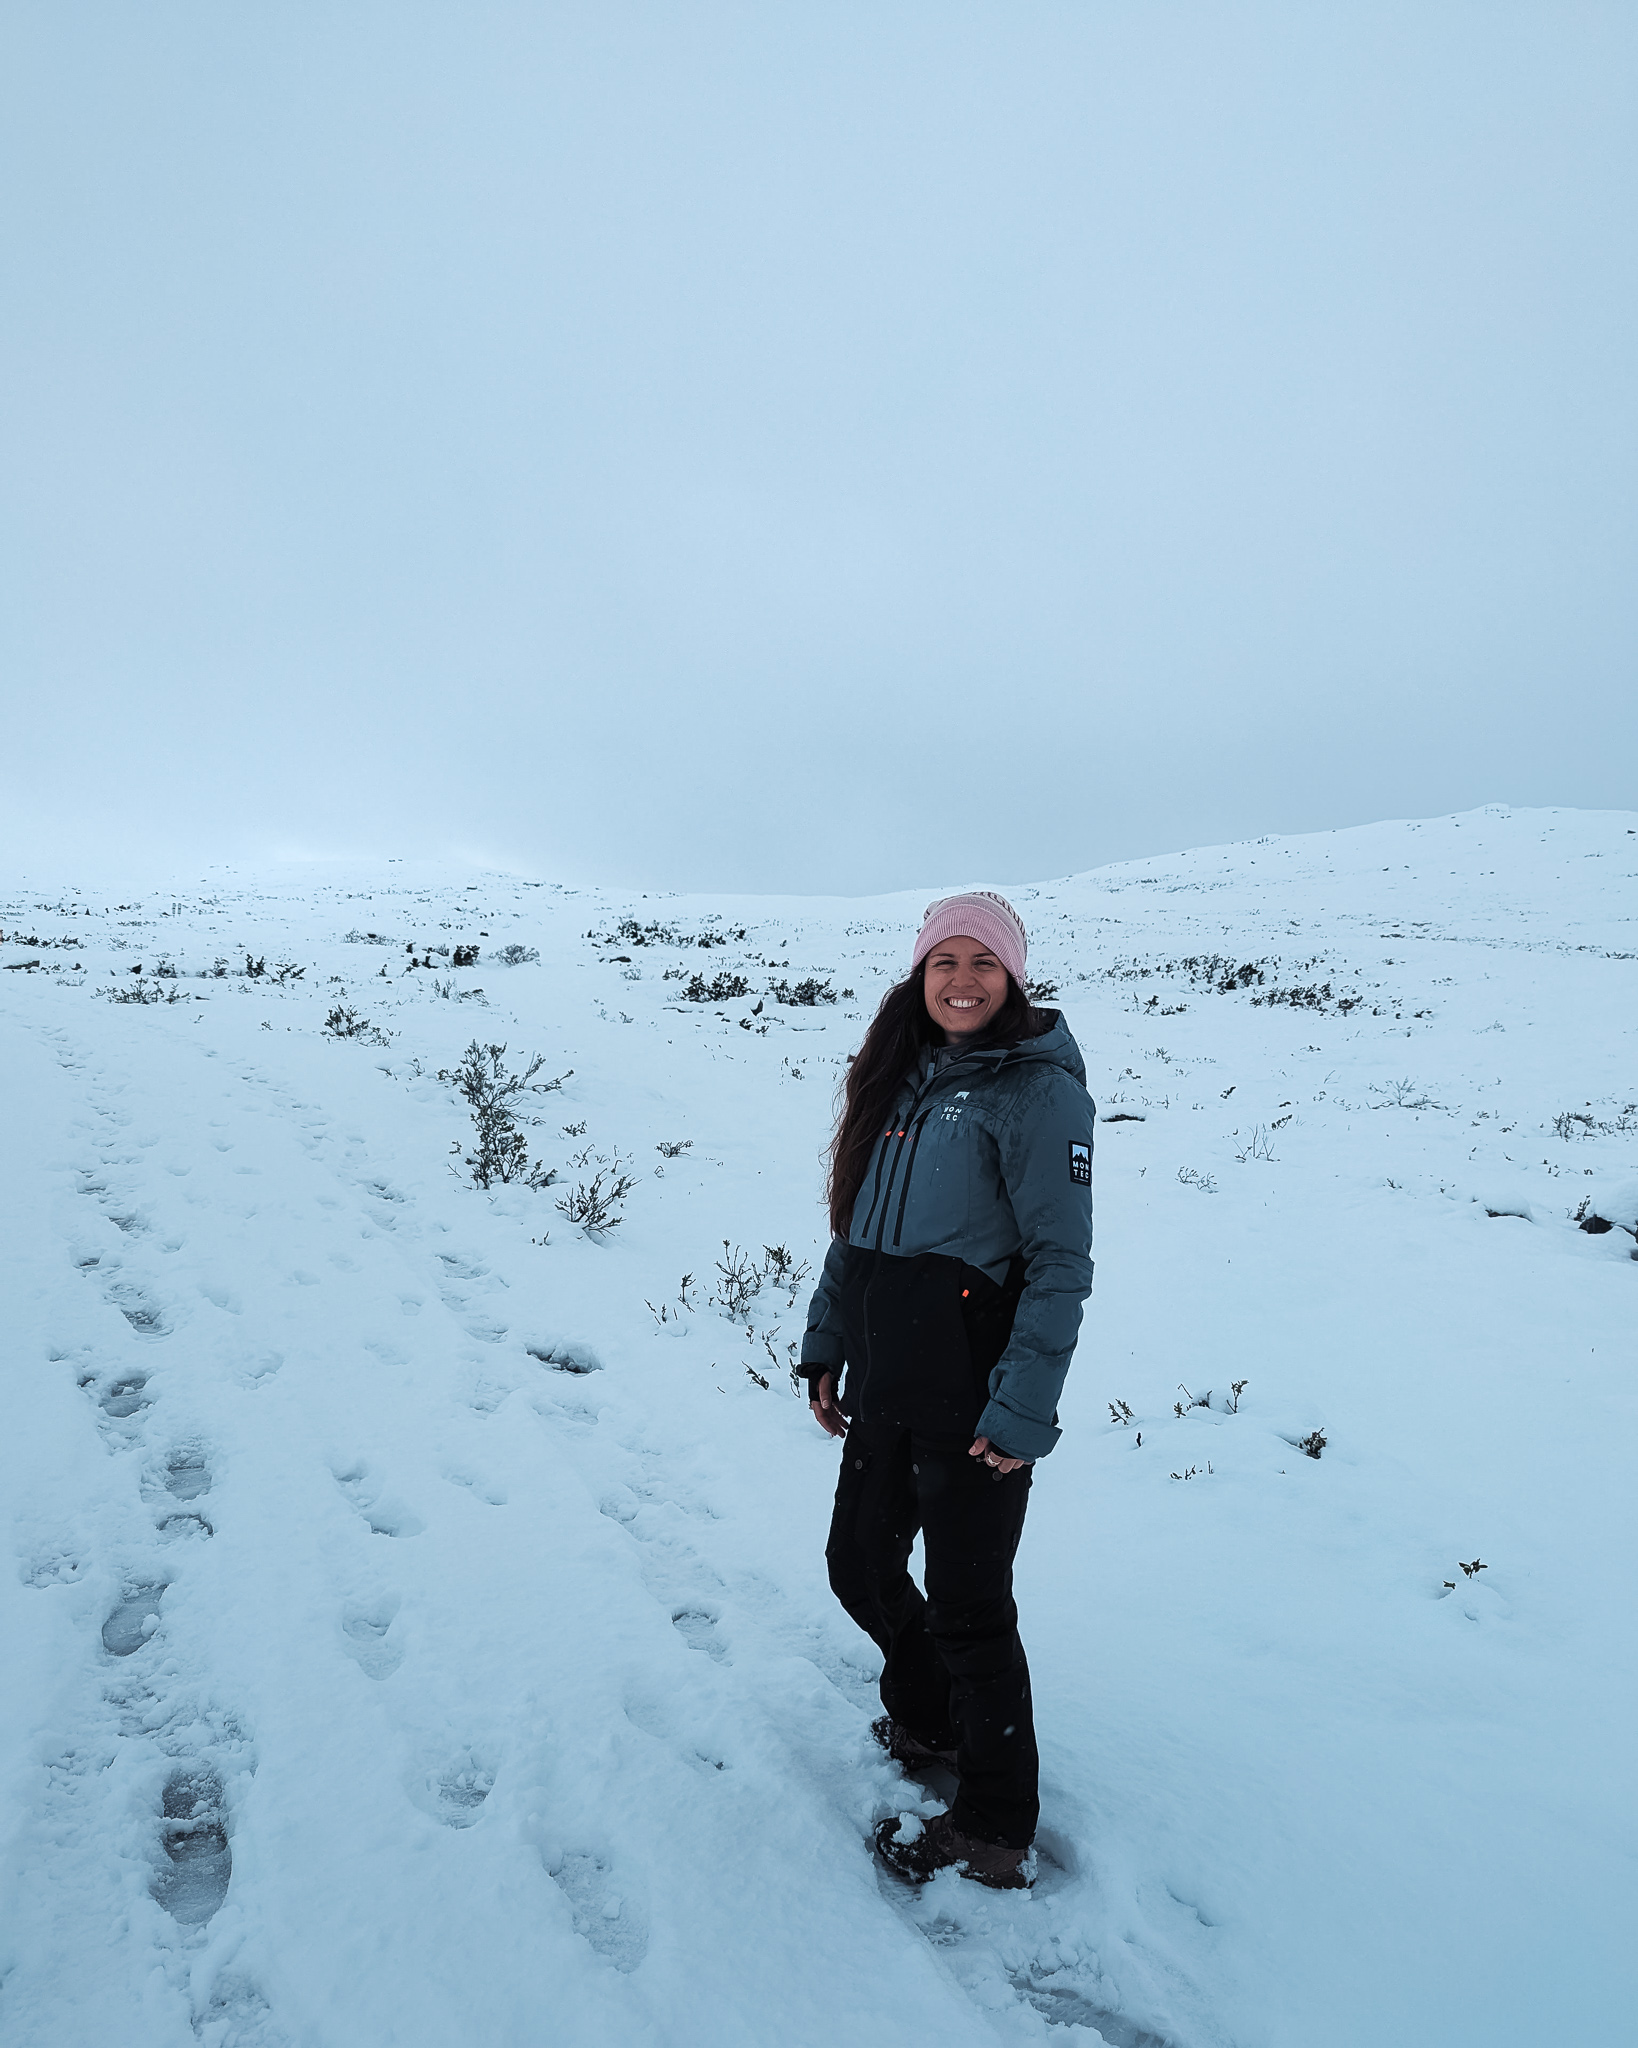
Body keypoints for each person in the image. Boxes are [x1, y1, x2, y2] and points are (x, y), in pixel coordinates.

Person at [801, 890, 1095, 1890]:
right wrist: (826, 1342)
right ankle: (930, 1718)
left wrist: (1023, 1406)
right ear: (919, 976)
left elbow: (1059, 1261)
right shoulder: (906, 1076)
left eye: (982, 961)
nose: (961, 978)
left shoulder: (1038, 1092)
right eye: (943, 961)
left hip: (976, 1396)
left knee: (970, 1607)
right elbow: (857, 1233)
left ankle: (994, 1821)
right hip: (887, 1379)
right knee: (860, 1566)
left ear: (1012, 976)